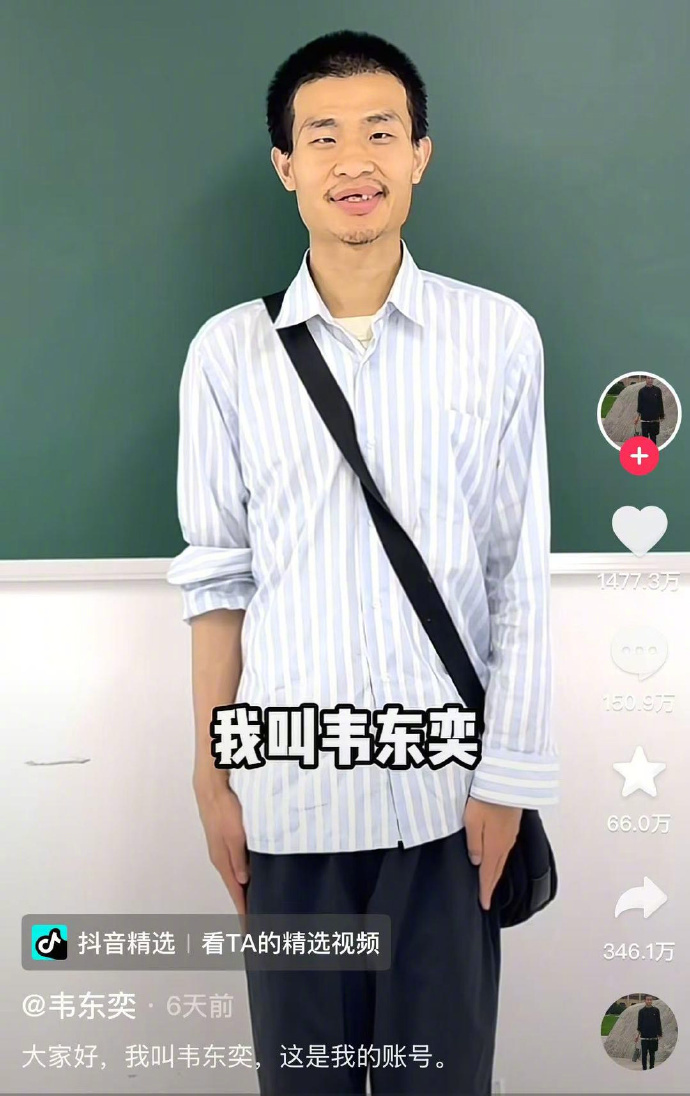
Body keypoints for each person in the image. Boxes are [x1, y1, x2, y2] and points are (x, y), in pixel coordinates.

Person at [167, 29, 558, 1096]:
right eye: (323, 136)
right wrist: (211, 775)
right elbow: (219, 585)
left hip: (447, 805)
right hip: (287, 801)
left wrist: (508, 780)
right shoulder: (227, 355)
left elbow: (517, 576)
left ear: (420, 153)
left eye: (381, 132)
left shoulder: (498, 336)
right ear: (285, 165)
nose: (354, 160)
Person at [634, 995, 663, 1069]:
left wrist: (659, 1034)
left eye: (650, 1000)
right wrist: (637, 1036)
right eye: (648, 999)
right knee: (644, 1055)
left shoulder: (656, 1010)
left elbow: (658, 1022)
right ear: (645, 1000)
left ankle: (651, 1068)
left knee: (652, 1054)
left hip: (653, 1037)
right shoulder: (641, 1011)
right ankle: (644, 1068)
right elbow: (639, 1024)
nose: (649, 1001)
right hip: (644, 1037)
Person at [634, 375, 665, 443]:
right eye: (648, 378)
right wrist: (637, 417)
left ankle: (653, 449)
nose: (650, 380)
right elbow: (640, 405)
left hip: (654, 419)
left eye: (651, 378)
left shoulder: (657, 390)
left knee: (653, 439)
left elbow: (660, 403)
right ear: (646, 379)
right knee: (644, 439)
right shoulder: (641, 391)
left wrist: (661, 416)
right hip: (644, 419)